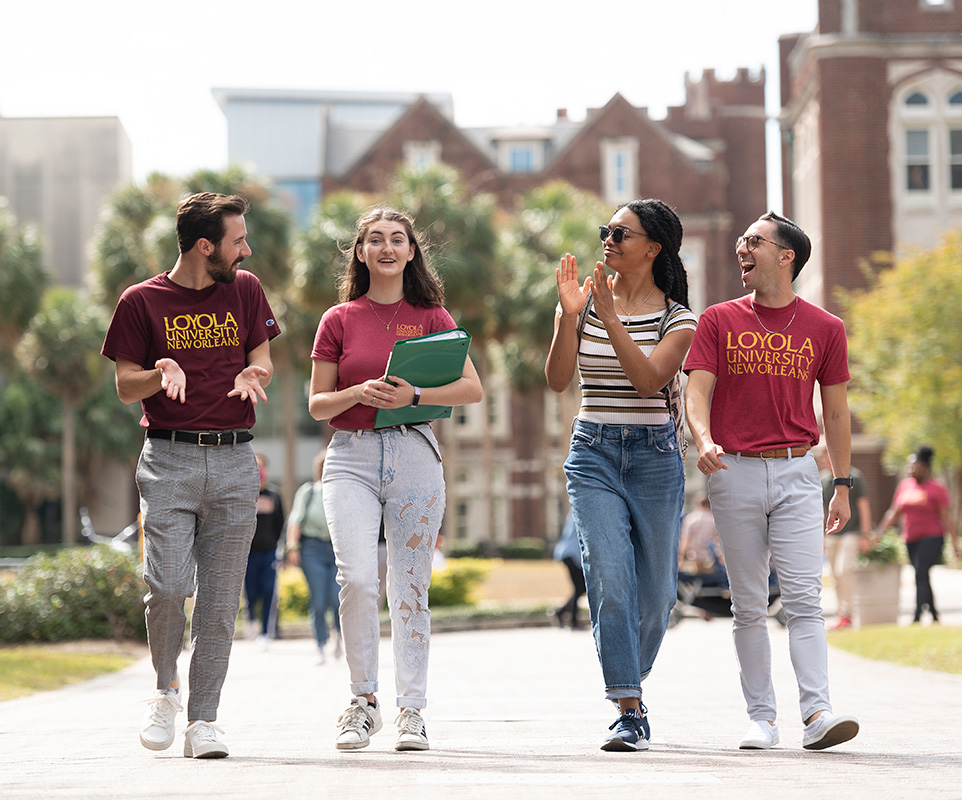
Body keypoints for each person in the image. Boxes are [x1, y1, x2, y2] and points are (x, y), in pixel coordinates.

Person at [101, 191, 281, 759]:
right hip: (169, 460)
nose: (246, 250)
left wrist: (256, 372)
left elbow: (264, 359)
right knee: (169, 586)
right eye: (237, 241)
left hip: (234, 460)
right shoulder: (141, 301)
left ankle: (205, 719)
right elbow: (125, 385)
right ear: (207, 247)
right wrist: (159, 372)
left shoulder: (246, 291)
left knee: (220, 601)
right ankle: (165, 690)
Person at [308, 206, 483, 752]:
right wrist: (357, 393)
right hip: (350, 459)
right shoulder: (338, 318)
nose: (387, 248)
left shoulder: (433, 317)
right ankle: (363, 704)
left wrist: (415, 396)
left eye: (398, 240)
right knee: (357, 579)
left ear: (411, 252)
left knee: (410, 587)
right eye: (375, 240)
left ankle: (413, 711)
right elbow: (316, 404)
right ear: (360, 252)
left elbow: (471, 390)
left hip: (414, 455)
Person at [684, 210, 859, 752]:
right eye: (741, 240)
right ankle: (762, 718)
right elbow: (697, 392)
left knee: (805, 597)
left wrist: (844, 484)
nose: (742, 248)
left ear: (786, 257)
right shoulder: (718, 320)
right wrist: (703, 438)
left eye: (754, 242)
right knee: (748, 602)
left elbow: (837, 411)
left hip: (797, 471)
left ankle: (817, 714)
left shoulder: (826, 328)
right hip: (732, 470)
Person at [545, 198, 697, 752]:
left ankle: (630, 680)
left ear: (654, 248)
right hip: (593, 452)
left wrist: (608, 318)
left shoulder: (679, 319)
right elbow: (559, 380)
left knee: (657, 599)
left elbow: (649, 383)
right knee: (608, 578)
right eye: (606, 231)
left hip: (655, 458)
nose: (608, 240)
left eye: (621, 234)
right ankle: (628, 707)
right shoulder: (583, 304)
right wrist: (568, 316)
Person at [877, 445, 960, 624]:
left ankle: (916, 616)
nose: (910, 469)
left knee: (921, 572)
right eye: (909, 465)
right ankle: (935, 614)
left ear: (925, 468)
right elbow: (894, 512)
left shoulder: (937, 488)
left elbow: (947, 518)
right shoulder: (905, 487)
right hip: (910, 539)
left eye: (913, 465)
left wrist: (954, 544)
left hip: (933, 537)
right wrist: (880, 532)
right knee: (921, 574)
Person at [286, 452, 342, 664]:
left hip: (336, 550)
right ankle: (321, 645)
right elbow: (295, 520)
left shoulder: (342, 492)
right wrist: (292, 547)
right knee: (318, 600)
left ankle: (339, 636)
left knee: (337, 599)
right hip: (312, 549)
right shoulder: (309, 491)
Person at [817, 450, 872, 630]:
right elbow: (823, 509)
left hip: (852, 532)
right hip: (832, 534)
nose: (825, 460)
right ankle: (842, 614)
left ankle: (848, 613)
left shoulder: (855, 476)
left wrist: (865, 535)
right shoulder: (824, 479)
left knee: (844, 570)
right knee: (835, 575)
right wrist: (822, 536)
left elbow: (863, 507)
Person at [244, 453, 285, 648]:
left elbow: (280, 524)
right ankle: (250, 619)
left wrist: (278, 547)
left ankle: (266, 632)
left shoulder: (274, 496)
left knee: (269, 591)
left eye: (261, 466)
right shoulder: (244, 495)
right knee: (251, 592)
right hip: (248, 554)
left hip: (269, 553)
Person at [551, 510, 586, 629]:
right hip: (572, 554)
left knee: (579, 588)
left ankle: (561, 614)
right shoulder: (579, 512)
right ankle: (572, 620)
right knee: (580, 587)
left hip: (568, 553)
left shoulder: (573, 512)